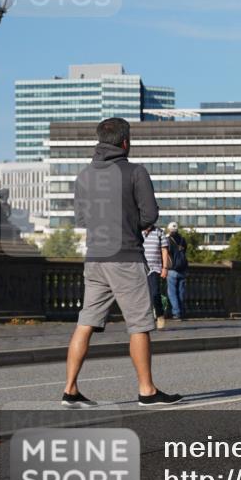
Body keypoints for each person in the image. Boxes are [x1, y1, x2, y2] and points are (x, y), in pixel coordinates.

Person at [63, 117, 182, 407]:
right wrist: (129, 225)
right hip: (126, 257)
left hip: (94, 258)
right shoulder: (135, 172)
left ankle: (70, 390)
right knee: (140, 324)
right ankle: (147, 391)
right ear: (125, 142)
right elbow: (150, 215)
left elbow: (81, 218)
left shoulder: (83, 176)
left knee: (86, 322)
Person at [142, 224, 169, 329]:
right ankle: (146, 319)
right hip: (140, 268)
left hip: (154, 268)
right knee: (142, 296)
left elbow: (164, 250)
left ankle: (160, 315)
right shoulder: (137, 231)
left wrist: (165, 268)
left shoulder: (159, 232)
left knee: (155, 293)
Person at [166, 222, 189, 321]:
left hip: (172, 269)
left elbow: (166, 253)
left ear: (168, 230)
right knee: (181, 292)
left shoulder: (167, 240)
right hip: (183, 269)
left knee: (172, 292)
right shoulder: (182, 240)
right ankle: (182, 311)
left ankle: (176, 313)